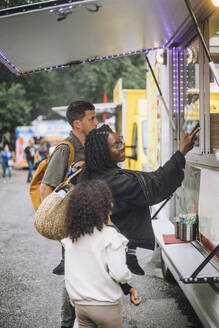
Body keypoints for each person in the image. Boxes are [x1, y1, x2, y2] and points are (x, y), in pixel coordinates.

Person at [79, 124, 200, 275]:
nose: (123, 147)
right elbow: (156, 183)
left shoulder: (92, 172)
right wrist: (181, 152)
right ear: (103, 152)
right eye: (116, 145)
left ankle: (129, 255)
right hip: (106, 254)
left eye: (121, 141)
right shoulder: (113, 181)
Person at [40, 101, 98, 328]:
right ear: (77, 123)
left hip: (91, 220)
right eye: (91, 118)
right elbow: (47, 190)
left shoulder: (90, 145)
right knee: (75, 276)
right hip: (71, 225)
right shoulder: (66, 148)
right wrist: (60, 227)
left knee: (89, 273)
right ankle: (67, 323)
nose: (96, 122)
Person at [62, 180, 142, 328]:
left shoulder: (71, 238)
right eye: (108, 201)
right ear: (103, 207)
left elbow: (70, 273)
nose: (111, 204)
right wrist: (127, 280)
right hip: (106, 307)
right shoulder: (110, 237)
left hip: (80, 306)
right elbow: (119, 273)